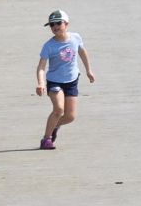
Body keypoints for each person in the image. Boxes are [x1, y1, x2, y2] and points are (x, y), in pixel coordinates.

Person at [35, 9, 97, 150]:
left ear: (66, 24)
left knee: (70, 117)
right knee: (59, 109)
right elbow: (41, 67)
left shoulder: (76, 37)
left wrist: (89, 70)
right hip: (55, 81)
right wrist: (41, 83)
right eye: (52, 25)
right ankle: (46, 139)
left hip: (72, 80)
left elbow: (82, 52)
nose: (55, 26)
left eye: (58, 23)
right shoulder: (49, 46)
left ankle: (54, 126)